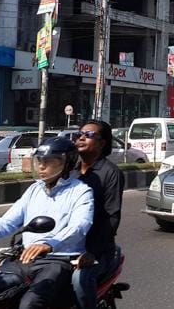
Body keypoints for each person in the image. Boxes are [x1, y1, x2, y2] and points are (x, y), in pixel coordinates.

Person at [0, 137, 94, 309]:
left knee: (30, 304)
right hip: (25, 258)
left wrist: (49, 244)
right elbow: (6, 222)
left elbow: (80, 226)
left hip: (57, 260)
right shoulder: (34, 190)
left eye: (48, 161)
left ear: (66, 163)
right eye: (40, 160)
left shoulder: (81, 191)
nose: (41, 166)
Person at [71, 120, 124, 309]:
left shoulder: (111, 173)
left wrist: (92, 252)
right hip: (66, 246)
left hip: (98, 251)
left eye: (89, 135)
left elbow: (112, 218)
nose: (82, 137)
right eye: (80, 134)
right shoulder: (69, 172)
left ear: (102, 143)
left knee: (79, 278)